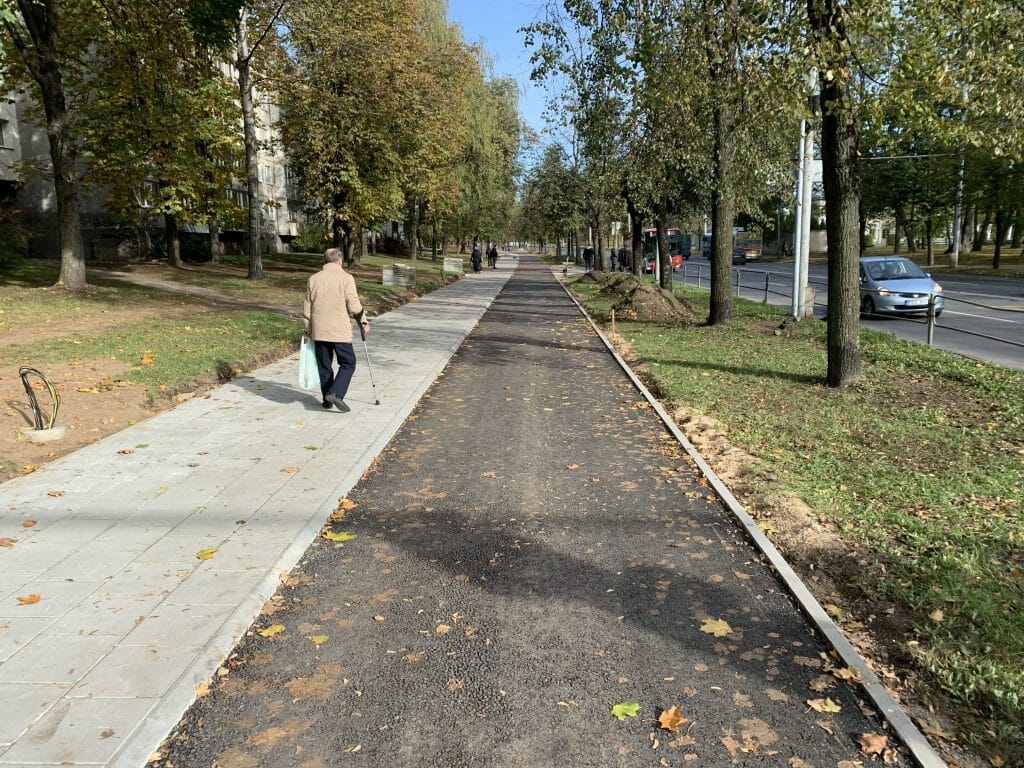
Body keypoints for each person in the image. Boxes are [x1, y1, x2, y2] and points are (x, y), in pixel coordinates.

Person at [302, 247, 370, 412]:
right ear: (340, 260)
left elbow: (307, 307)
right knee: (348, 362)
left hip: (319, 329)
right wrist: (363, 321)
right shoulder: (346, 278)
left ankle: (327, 399)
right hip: (339, 329)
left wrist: (307, 329)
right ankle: (336, 393)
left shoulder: (313, 279)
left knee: (324, 365)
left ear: (325, 260)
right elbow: (353, 303)